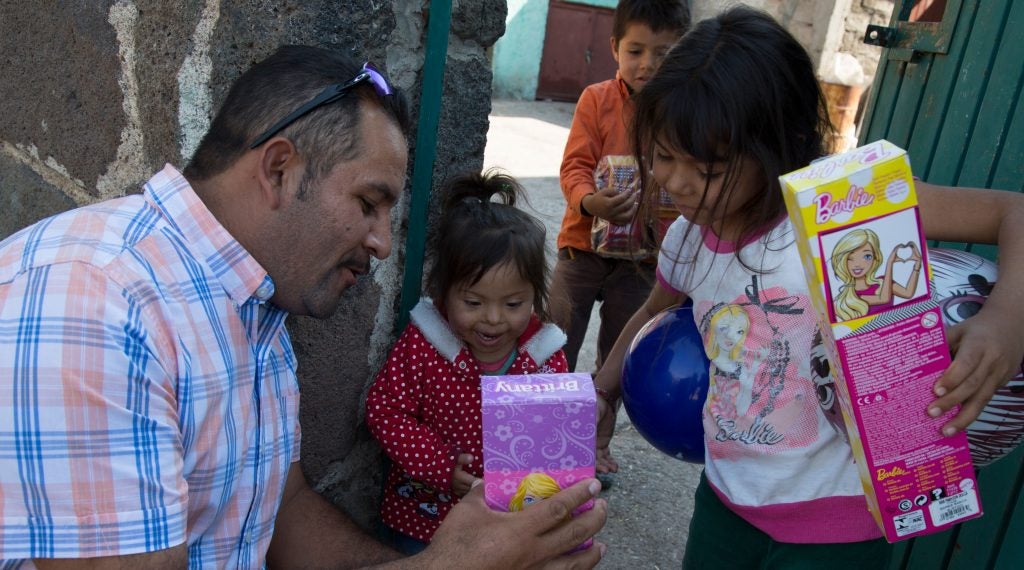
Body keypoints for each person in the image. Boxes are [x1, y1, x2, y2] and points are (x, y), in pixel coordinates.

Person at [0, 45, 606, 568]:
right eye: (370, 203)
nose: (382, 242)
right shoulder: (94, 302)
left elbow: (281, 516)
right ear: (281, 169)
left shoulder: (253, 307)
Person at [592, 6, 1024, 568]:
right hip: (724, 503)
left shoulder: (848, 204)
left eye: (709, 169)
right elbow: (655, 309)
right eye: (665, 157)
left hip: (840, 527)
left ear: (783, 141)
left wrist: (1006, 320)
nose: (677, 182)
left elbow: (1012, 213)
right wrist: (602, 391)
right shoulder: (688, 240)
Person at [364, 171, 570, 554]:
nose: (493, 319)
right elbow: (386, 409)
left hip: (505, 525)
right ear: (444, 292)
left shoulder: (544, 358)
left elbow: (553, 443)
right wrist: (440, 466)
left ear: (534, 296)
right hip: (422, 521)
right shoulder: (426, 345)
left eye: (513, 304)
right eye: (473, 303)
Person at [550, 0, 690, 372]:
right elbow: (575, 166)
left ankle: (600, 415)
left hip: (642, 260)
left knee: (620, 353)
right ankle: (550, 415)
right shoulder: (596, 100)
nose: (648, 63)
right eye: (635, 50)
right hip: (582, 246)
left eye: (663, 53)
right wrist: (591, 202)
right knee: (556, 341)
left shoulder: (683, 110)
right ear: (614, 47)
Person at [830, 228, 923, 321]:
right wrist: (890, 263)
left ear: (875, 258)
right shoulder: (850, 298)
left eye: (867, 256)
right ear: (842, 261)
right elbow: (884, 298)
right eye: (850, 258)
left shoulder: (883, 282)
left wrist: (917, 266)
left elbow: (908, 293)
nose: (857, 264)